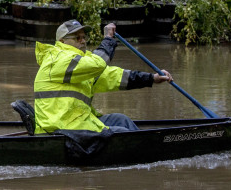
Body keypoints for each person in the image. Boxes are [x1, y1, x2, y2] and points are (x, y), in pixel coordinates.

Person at [33, 19, 173, 134]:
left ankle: (146, 148)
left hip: (77, 124)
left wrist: (151, 78)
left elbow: (114, 77)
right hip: (62, 128)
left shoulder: (79, 64)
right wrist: (108, 39)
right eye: (77, 38)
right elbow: (98, 64)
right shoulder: (58, 59)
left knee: (121, 120)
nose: (83, 41)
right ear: (62, 42)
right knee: (119, 133)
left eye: (83, 37)